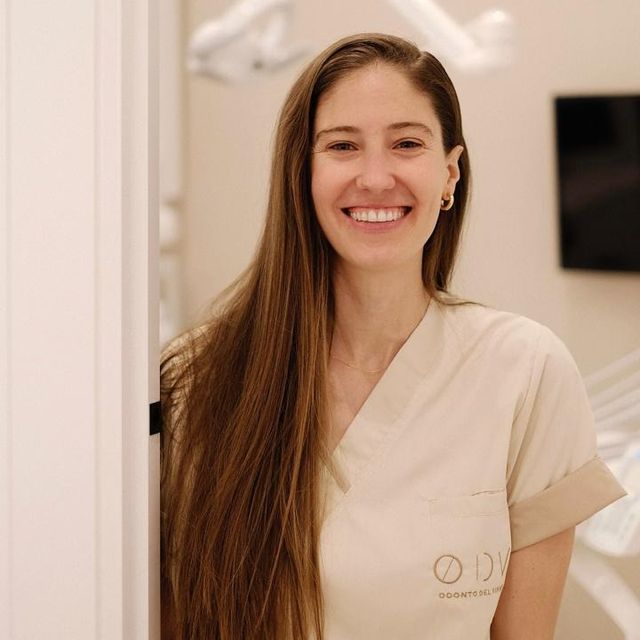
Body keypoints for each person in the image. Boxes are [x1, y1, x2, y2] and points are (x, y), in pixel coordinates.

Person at [160, 33, 626, 640]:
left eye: (407, 144)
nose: (376, 178)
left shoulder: (526, 371)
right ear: (302, 172)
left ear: (449, 173)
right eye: (343, 146)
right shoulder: (196, 378)